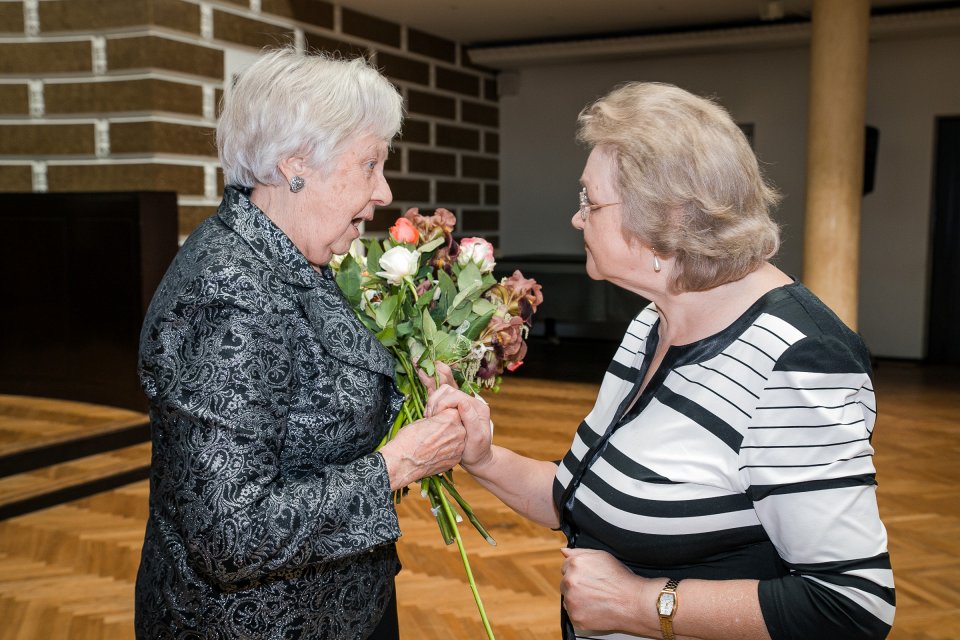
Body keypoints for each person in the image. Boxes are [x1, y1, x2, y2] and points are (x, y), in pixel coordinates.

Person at [426, 82, 895, 640]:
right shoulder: (655, 321)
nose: (577, 220)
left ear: (666, 221)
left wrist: (642, 605)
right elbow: (584, 497)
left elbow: (851, 604)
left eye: (590, 202)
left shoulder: (796, 361)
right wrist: (481, 456)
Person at [134, 48, 467, 640]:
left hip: (336, 603)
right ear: (294, 164)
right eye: (369, 164)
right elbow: (230, 533)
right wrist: (399, 463)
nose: (385, 191)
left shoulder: (292, 256)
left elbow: (309, 406)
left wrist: (409, 394)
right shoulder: (229, 293)